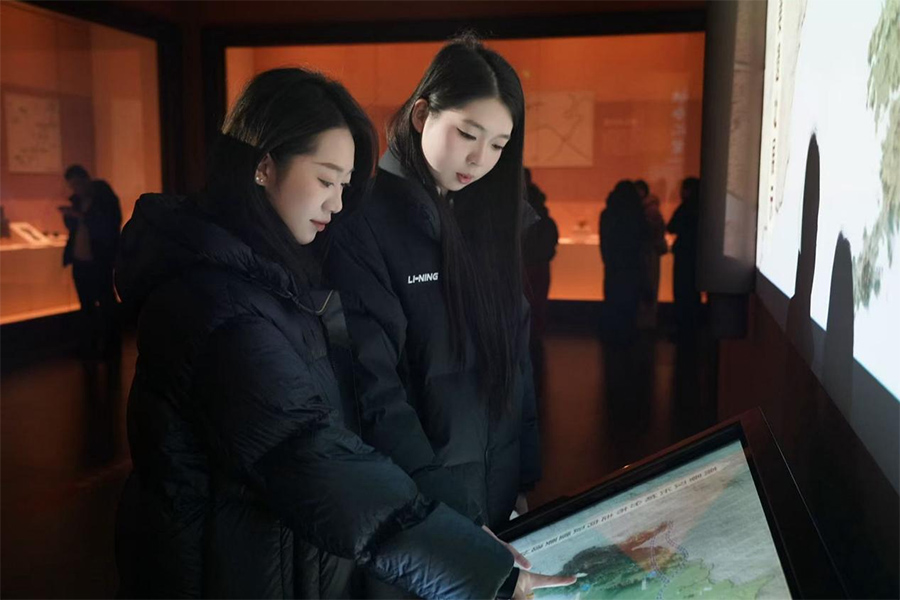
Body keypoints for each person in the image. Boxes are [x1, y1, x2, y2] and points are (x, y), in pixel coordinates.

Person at [114, 68, 572, 599]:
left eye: (344, 186)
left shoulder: (277, 276)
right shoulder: (216, 304)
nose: (336, 205)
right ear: (263, 164)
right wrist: (470, 566)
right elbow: (313, 458)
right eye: (325, 180)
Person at [324, 36, 545, 594]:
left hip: (493, 505)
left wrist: (523, 482)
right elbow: (377, 396)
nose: (480, 159)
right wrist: (453, 521)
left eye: (498, 144)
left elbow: (516, 365)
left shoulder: (489, 223)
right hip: (417, 520)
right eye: (468, 134)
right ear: (422, 114)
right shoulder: (365, 225)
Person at [61, 164, 122, 357]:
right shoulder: (78, 201)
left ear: (86, 180)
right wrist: (71, 216)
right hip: (81, 260)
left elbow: (108, 226)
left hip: (99, 260)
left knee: (105, 301)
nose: (75, 189)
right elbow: (74, 228)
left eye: (77, 184)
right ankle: (90, 344)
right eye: (72, 185)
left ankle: (110, 345)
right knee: (86, 304)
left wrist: (79, 215)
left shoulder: (103, 198)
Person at [522, 168, 558, 390]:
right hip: (537, 263)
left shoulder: (514, 205)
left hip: (522, 264)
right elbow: (550, 235)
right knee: (537, 303)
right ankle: (534, 337)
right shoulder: (539, 208)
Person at [599, 180, 646, 341]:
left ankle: (612, 332)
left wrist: (607, 260)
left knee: (613, 298)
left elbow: (605, 241)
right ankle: (627, 333)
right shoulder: (636, 213)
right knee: (630, 300)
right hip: (631, 265)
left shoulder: (608, 213)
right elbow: (642, 239)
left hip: (613, 265)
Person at [667, 177, 701, 338]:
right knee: (692, 294)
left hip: (684, 257)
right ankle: (692, 330)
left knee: (682, 293)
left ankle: (683, 329)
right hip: (696, 256)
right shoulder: (702, 208)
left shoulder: (686, 208)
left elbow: (671, 226)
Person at [634, 179, 667, 329]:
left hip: (648, 253)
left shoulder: (648, 210)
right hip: (648, 253)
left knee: (648, 285)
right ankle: (646, 322)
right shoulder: (649, 209)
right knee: (648, 285)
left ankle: (647, 322)